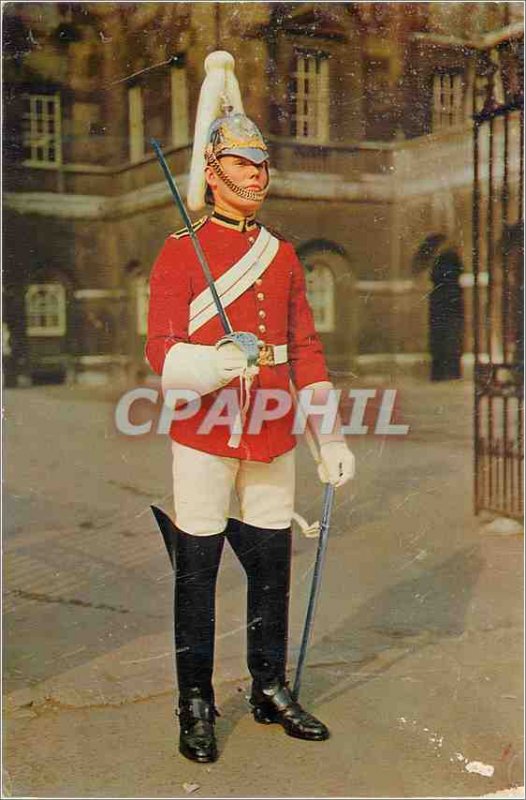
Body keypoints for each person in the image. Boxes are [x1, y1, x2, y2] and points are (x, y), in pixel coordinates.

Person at [146, 51, 355, 764]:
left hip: (269, 430)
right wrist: (212, 363)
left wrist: (326, 437)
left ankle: (267, 687)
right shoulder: (179, 253)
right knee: (197, 571)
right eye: (241, 164)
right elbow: (162, 355)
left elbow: (306, 350)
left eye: (262, 166)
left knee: (271, 567)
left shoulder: (283, 254)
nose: (256, 176)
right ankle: (196, 702)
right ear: (210, 171)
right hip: (203, 431)